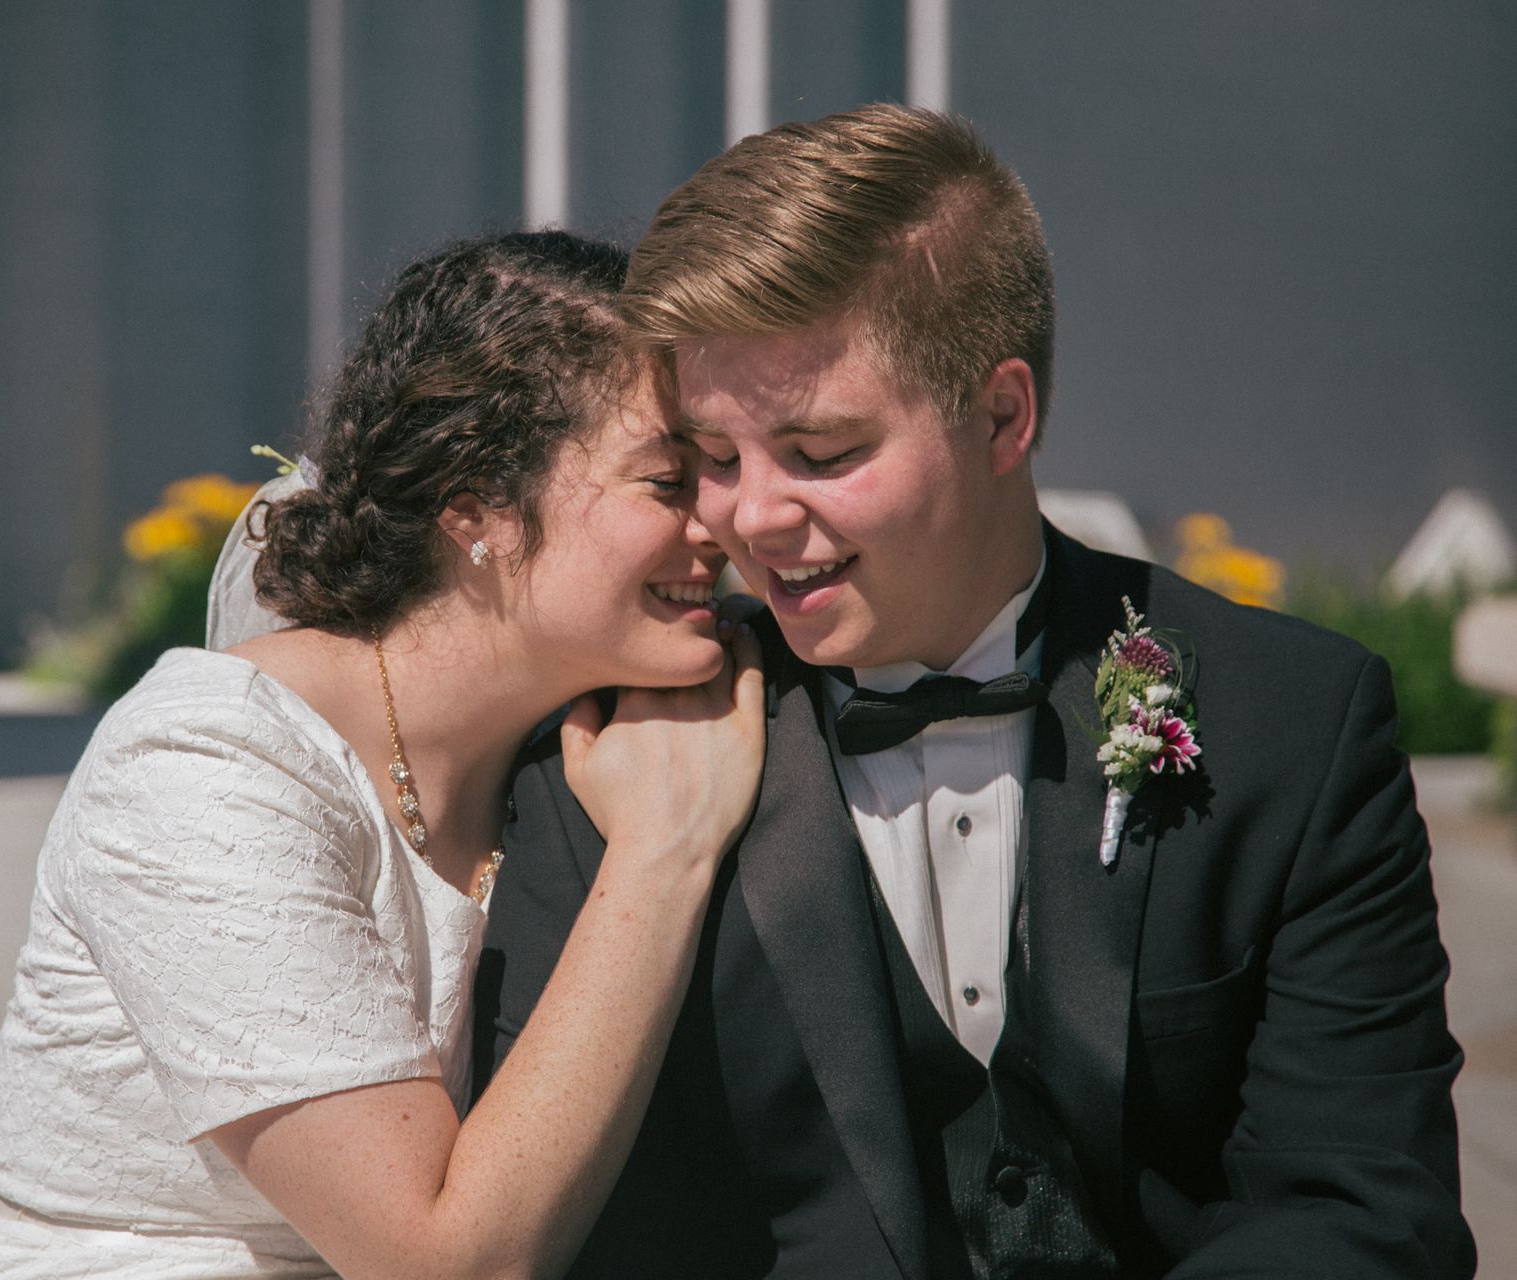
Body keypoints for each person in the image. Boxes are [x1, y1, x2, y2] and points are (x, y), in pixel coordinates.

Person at [475, 105, 1475, 1277]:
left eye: (821, 450)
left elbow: (1362, 1210)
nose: (746, 516)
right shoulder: (607, 752)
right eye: (714, 455)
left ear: (1004, 414)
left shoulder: (1292, 721)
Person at [0, 231, 766, 1279]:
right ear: (476, 506)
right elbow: (442, 1260)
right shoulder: (205, 764)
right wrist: (664, 857)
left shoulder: (602, 738)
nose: (726, 517)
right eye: (671, 478)